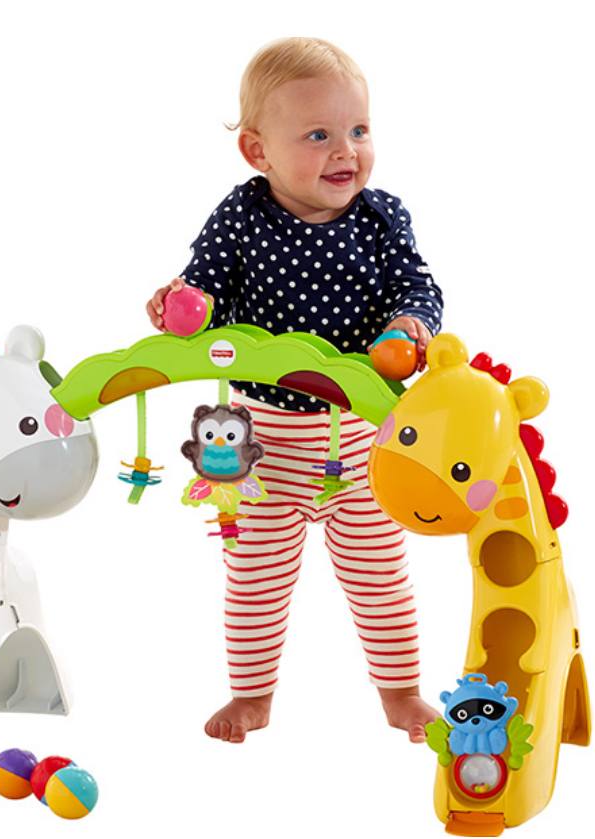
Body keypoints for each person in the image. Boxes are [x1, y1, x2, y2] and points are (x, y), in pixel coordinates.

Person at [146, 37, 443, 743]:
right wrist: (181, 305)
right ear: (258, 152)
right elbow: (205, 292)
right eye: (318, 136)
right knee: (254, 576)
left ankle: (401, 693)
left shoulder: (381, 217)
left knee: (379, 576)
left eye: (359, 130)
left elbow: (417, 285)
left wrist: (410, 324)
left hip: (360, 442)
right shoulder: (241, 215)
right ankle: (251, 696)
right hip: (262, 445)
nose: (347, 151)